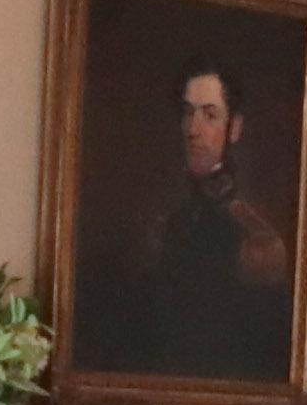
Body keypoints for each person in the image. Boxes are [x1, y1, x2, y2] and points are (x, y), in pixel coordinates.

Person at [83, 58, 293, 381]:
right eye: (188, 113)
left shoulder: (257, 235)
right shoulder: (165, 218)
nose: (193, 130)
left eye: (210, 115)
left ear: (234, 128)